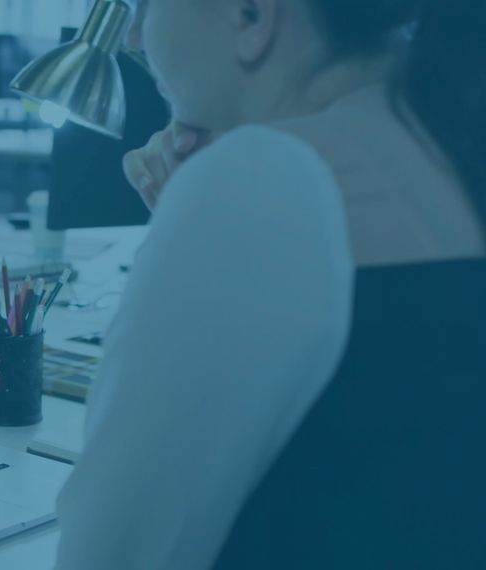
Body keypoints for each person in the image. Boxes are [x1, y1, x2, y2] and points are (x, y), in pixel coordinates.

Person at [56, 1, 485, 568]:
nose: (133, 34)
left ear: (252, 16)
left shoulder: (259, 179)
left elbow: (112, 552)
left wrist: (208, 210)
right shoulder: (447, 146)